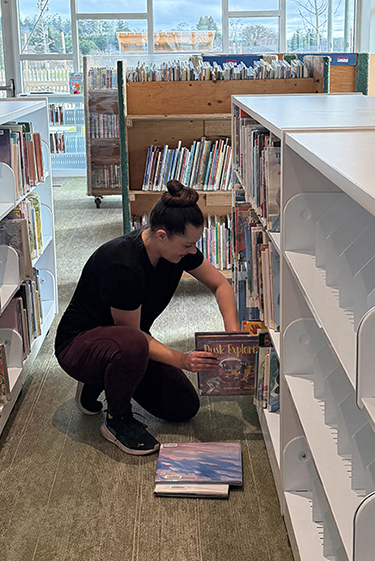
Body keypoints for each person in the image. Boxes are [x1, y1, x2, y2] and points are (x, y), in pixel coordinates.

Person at [54, 180, 240, 456]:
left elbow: (221, 285)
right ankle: (117, 419)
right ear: (162, 235)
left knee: (184, 407)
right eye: (188, 245)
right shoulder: (123, 265)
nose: (192, 252)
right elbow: (135, 336)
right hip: (79, 344)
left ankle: (105, 377)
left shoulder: (174, 251)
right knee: (132, 344)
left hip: (127, 344)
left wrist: (233, 336)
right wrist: (182, 359)